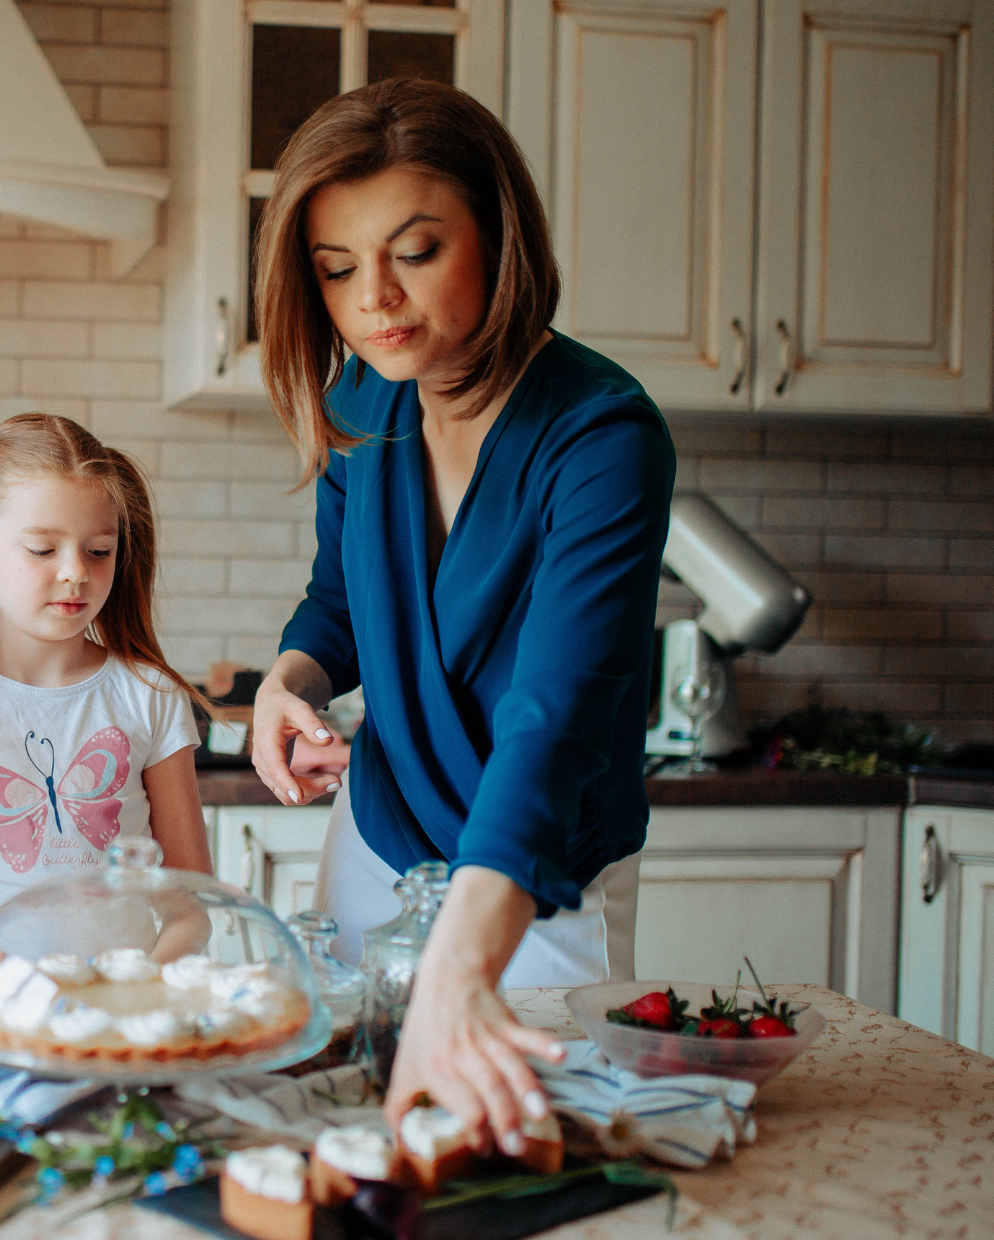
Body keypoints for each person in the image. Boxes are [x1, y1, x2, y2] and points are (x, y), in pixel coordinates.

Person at [247, 80, 676, 1156]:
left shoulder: (602, 435)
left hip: (531, 876)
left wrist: (459, 960)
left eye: (416, 250)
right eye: (336, 269)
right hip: (374, 840)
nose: (373, 300)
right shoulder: (362, 401)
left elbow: (555, 715)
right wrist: (288, 681)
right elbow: (338, 602)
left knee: (518, 1160)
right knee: (349, 1139)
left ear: (498, 231)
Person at [0, 413, 212, 996]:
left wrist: (140, 987)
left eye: (99, 551)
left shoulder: (149, 697)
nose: (76, 572)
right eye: (43, 549)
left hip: (126, 1020)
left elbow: (191, 903)